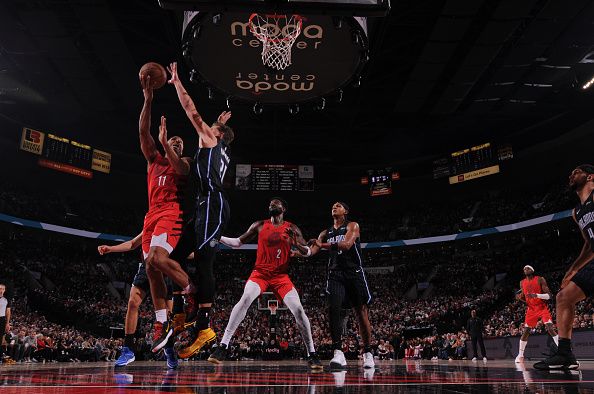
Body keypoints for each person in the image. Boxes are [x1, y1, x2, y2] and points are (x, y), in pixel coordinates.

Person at [166, 62, 235, 359]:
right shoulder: (219, 146)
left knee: (205, 261)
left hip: (213, 203)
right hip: (205, 205)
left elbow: (191, 110)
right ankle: (181, 310)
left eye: (212, 127)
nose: (205, 126)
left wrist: (178, 83)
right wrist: (220, 122)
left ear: (216, 134)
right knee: (173, 258)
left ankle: (204, 326)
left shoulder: (210, 140)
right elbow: (216, 131)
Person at [207, 198, 322, 369]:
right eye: (270, 203)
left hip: (281, 277)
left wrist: (296, 243)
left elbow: (307, 253)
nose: (272, 205)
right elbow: (238, 242)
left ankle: (311, 354)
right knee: (245, 298)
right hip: (260, 273)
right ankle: (223, 346)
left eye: (276, 203)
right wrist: (218, 236)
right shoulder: (259, 225)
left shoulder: (292, 228)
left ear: (283, 208)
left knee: (298, 309)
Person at [535, 164, 594, 370]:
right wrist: (573, 270)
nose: (571, 174)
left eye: (576, 172)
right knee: (563, 297)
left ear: (590, 177)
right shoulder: (577, 212)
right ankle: (565, 354)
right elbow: (589, 245)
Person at [305, 202, 375, 370]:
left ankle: (367, 353)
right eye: (333, 206)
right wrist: (299, 249)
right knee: (333, 310)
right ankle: (338, 352)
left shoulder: (352, 225)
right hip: (335, 274)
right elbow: (311, 250)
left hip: (354, 272)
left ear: (345, 211)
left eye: (338, 206)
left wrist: (322, 245)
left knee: (361, 312)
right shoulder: (325, 233)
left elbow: (346, 245)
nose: (334, 207)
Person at [515, 265, 558, 363]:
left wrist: (537, 295)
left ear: (532, 270)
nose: (526, 269)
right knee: (526, 331)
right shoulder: (522, 283)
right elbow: (526, 299)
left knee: (550, 328)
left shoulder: (540, 279)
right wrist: (520, 298)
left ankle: (563, 350)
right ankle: (520, 355)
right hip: (531, 309)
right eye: (524, 268)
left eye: (528, 268)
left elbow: (549, 296)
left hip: (541, 307)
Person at [0, 283, 11, 363]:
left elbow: (8, 311)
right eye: (0, 288)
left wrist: (7, 323)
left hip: (2, 319)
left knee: (0, 338)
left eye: (3, 289)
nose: (1, 290)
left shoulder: (6, 299)